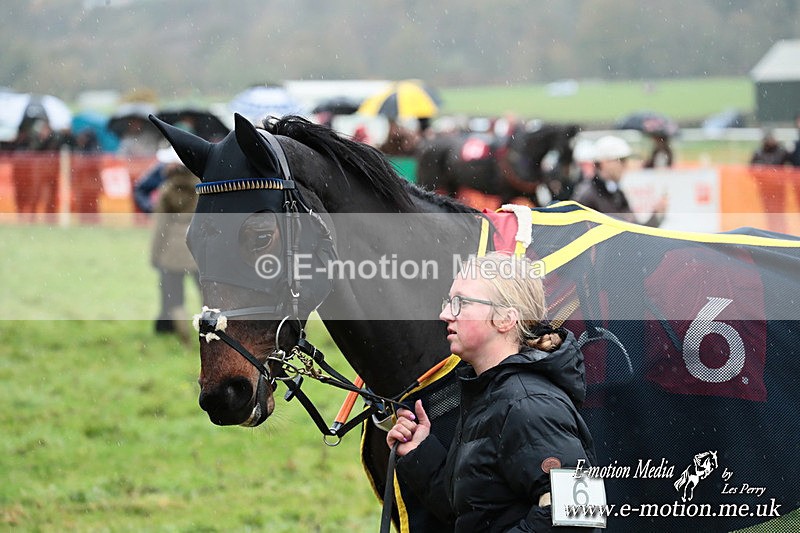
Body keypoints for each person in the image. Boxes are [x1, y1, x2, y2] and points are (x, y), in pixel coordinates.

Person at [387, 252, 596, 532]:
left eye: (460, 303)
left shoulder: (529, 404)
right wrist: (419, 452)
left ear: (505, 319)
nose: (445, 314)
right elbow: (473, 513)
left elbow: (579, 515)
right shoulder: (488, 394)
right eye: (449, 302)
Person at [149, 146, 200, 337]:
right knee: (208, 298)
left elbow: (160, 226)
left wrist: (155, 256)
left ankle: (183, 336)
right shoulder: (201, 186)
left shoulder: (167, 190)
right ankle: (213, 334)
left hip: (172, 250)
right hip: (197, 248)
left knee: (174, 298)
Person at [571, 135, 666, 227]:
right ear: (604, 162)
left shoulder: (617, 193)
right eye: (621, 160)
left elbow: (634, 231)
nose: (625, 165)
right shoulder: (587, 194)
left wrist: (656, 215)